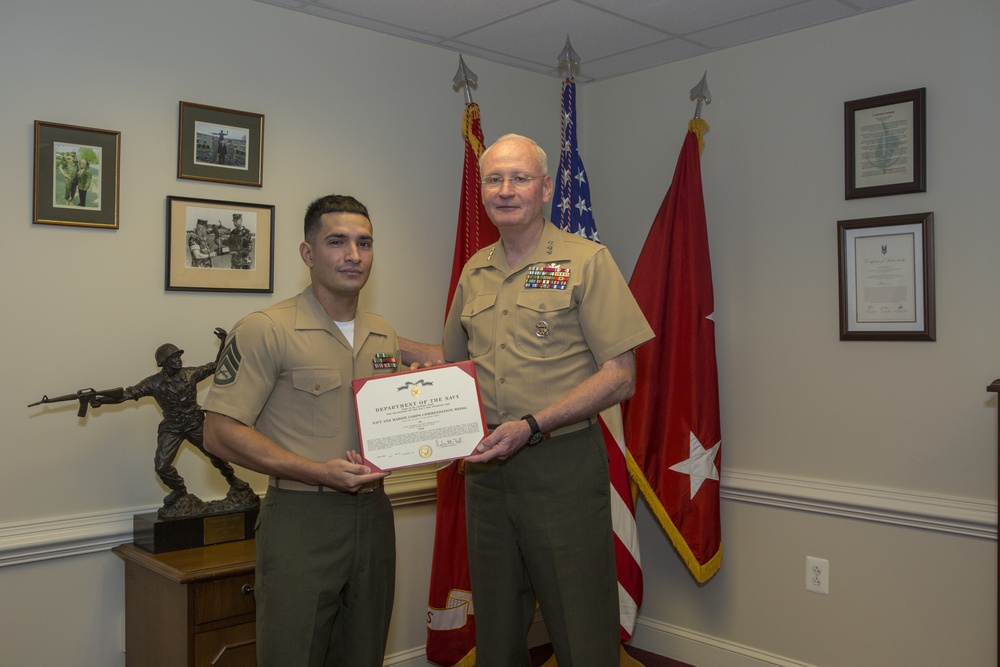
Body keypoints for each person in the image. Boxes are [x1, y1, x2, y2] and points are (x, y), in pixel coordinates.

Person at [400, 134, 654, 666]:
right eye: (494, 179)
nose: (505, 189)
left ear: (543, 188)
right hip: (487, 472)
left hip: (559, 463)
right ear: (484, 193)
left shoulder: (587, 262)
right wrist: (387, 348)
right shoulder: (475, 272)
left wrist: (533, 425)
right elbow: (455, 368)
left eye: (518, 178)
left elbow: (620, 375)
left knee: (581, 625)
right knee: (495, 627)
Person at [203, 194, 400, 666]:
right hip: (300, 519)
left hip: (374, 519)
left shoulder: (384, 334)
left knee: (364, 654)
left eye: (364, 243)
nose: (353, 255)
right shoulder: (265, 329)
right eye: (337, 242)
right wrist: (317, 471)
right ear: (308, 254)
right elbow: (219, 432)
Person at [93, 332, 253, 510]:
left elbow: (215, 366)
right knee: (161, 466)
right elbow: (127, 394)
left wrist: (223, 342)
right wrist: (101, 399)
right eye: (174, 357)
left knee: (216, 455)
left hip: (195, 423)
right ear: (164, 362)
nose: (179, 360)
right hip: (172, 427)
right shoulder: (153, 383)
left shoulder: (191, 373)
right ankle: (179, 490)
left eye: (179, 356)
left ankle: (232, 479)